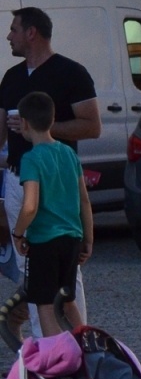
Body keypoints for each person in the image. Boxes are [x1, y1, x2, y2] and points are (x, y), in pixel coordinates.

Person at [0, 7, 100, 334]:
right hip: (18, 176)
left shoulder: (72, 73)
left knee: (67, 272)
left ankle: (75, 345)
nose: (8, 36)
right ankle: (45, 347)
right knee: (31, 266)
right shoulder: (11, 77)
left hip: (56, 179)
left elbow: (92, 126)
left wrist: (46, 127)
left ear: (32, 33)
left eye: (13, 29)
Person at [11, 91, 91, 337]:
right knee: (67, 300)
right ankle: (87, 349)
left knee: (44, 303)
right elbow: (84, 201)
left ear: (23, 123)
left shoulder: (31, 159)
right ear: (52, 118)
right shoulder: (69, 154)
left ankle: (53, 358)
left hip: (44, 241)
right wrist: (88, 239)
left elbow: (30, 206)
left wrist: (18, 232)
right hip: (71, 239)